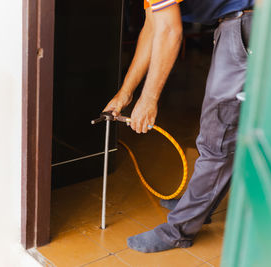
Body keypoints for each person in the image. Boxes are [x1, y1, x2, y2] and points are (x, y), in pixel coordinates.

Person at [103, 0, 254, 253]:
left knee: (219, 135)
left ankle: (179, 231)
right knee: (222, 130)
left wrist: (149, 100)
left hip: (247, 23)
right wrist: (125, 93)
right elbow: (153, 28)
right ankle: (198, 207)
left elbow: (170, 31)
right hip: (238, 23)